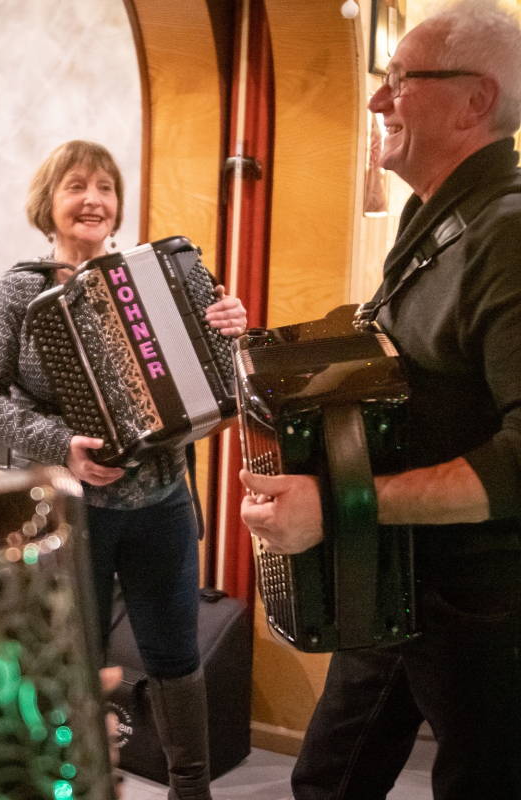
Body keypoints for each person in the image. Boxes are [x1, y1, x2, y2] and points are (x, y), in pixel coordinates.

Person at [240, 2, 521, 798]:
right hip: (397, 579)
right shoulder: (436, 218)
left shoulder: (509, 233)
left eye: (399, 80)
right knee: (327, 780)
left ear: (476, 101)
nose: (376, 100)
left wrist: (340, 503)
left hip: (483, 608)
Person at [0, 140, 247, 800]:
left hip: (161, 502)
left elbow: (221, 385)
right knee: (71, 663)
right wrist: (62, 444)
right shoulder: (21, 286)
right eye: (76, 186)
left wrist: (232, 334)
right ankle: (77, 787)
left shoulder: (161, 278)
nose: (93, 199)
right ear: (49, 204)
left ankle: (191, 791)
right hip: (68, 511)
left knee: (176, 658)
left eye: (106, 187)